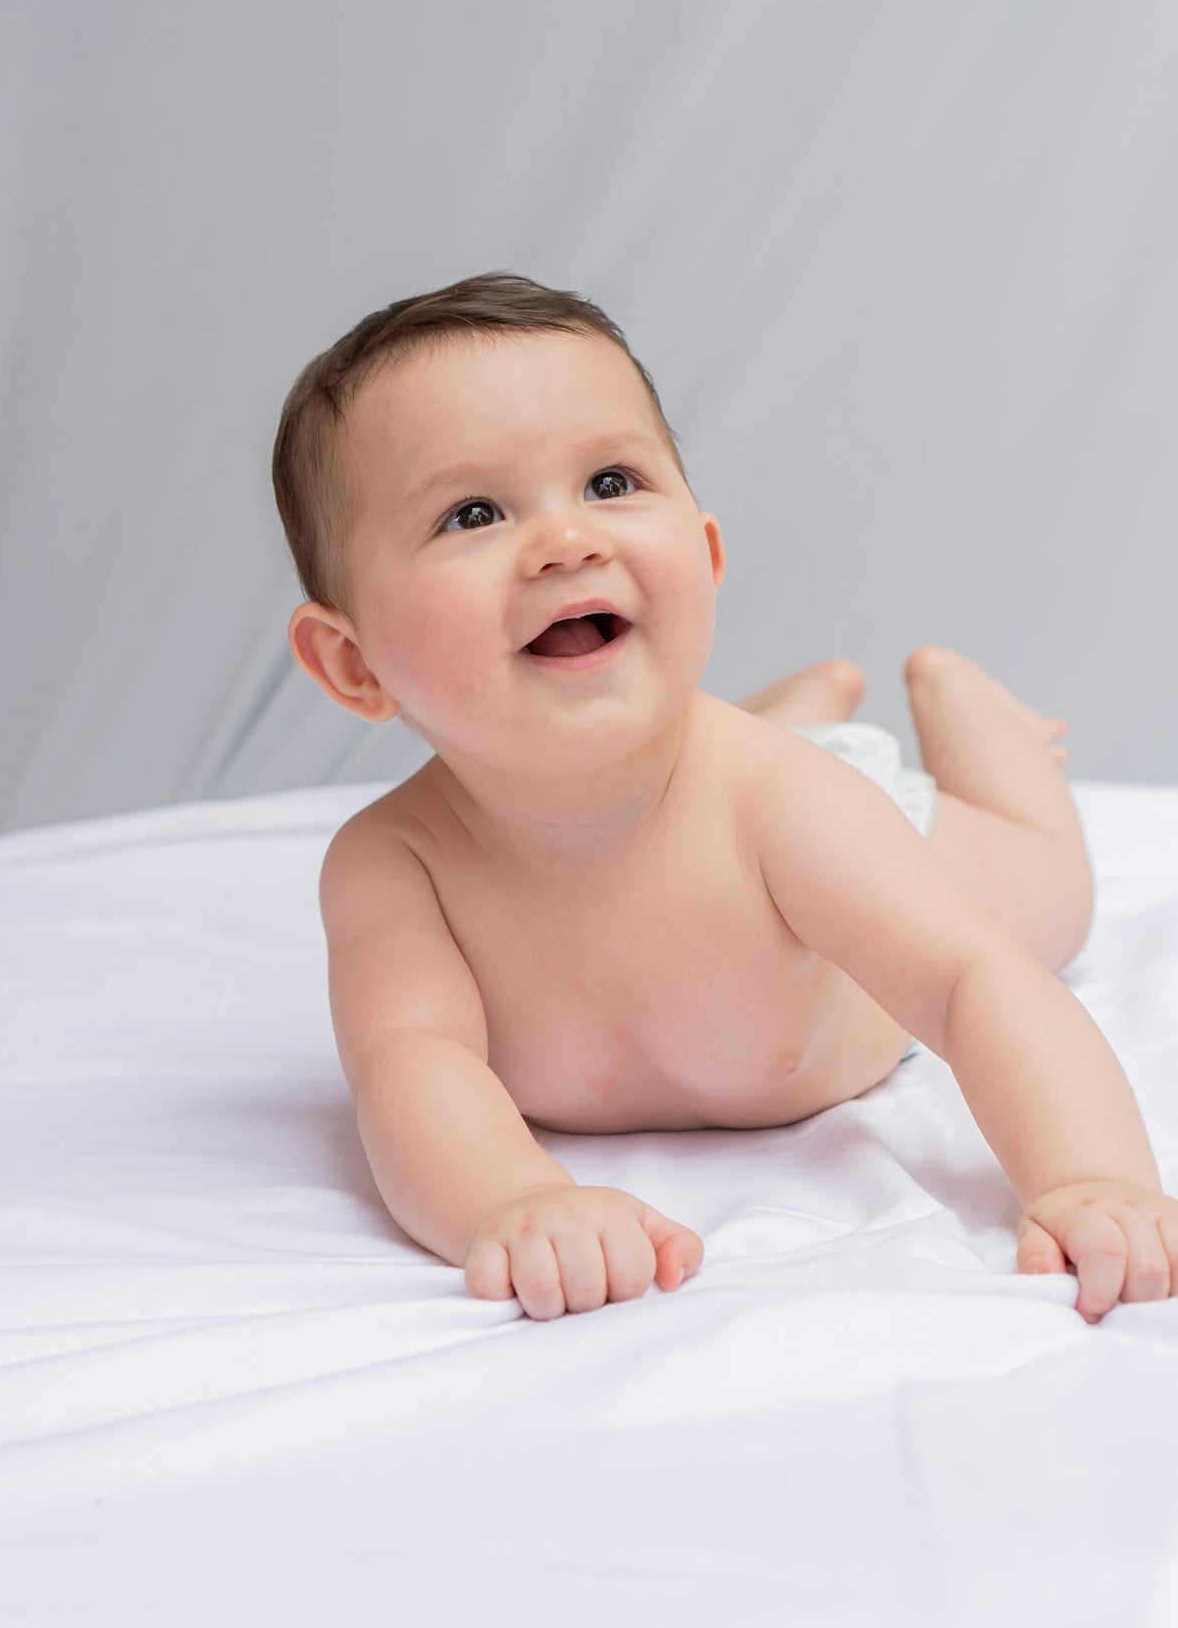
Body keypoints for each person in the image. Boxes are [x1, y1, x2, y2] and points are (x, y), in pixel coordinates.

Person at [272, 271, 1178, 1325]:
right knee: (762, 746)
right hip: (762, 766)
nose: (569, 540)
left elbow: (980, 982)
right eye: (473, 513)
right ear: (351, 665)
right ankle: (800, 699)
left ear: (703, 556)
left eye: (610, 483)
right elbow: (407, 1071)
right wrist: (514, 1201)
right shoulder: (396, 866)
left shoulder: (789, 805)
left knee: (1048, 895)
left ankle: (977, 718)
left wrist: (1088, 1178)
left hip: (874, 821)